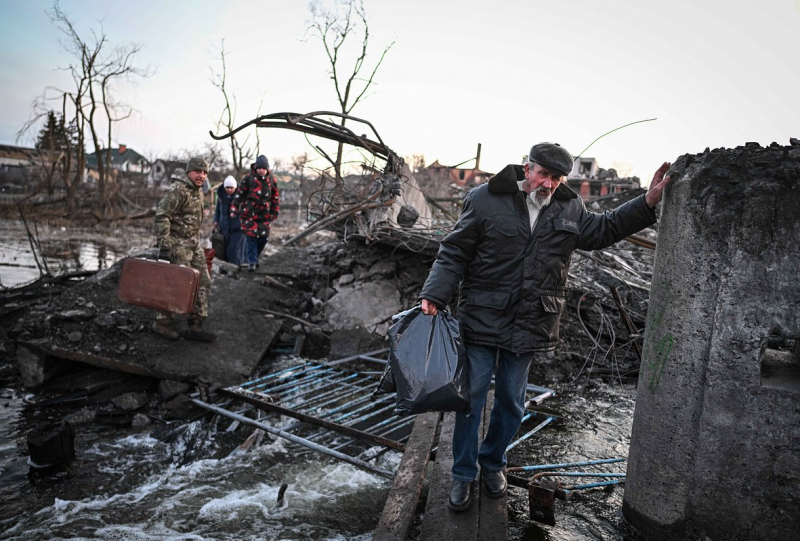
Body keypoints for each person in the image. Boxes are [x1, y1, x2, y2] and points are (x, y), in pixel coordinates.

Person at [418, 142, 672, 511]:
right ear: (527, 168)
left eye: (556, 177)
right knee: (471, 398)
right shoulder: (485, 198)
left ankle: (492, 464)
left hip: (532, 320)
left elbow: (604, 231)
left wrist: (646, 203)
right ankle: (462, 473)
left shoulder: (571, 206)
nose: (549, 183)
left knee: (512, 402)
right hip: (483, 315)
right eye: (543, 174)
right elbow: (455, 251)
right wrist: (436, 293)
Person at [152, 157, 217, 342]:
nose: (202, 176)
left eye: (205, 173)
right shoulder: (177, 191)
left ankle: (195, 324)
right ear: (189, 171)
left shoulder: (198, 191)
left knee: (203, 281)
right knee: (178, 284)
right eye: (198, 171)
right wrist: (164, 243)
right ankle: (162, 323)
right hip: (177, 245)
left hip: (193, 244)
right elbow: (162, 216)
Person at [231, 154, 280, 272]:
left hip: (265, 215)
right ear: (256, 168)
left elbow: (275, 197)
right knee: (251, 238)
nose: (262, 171)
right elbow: (239, 194)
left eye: (264, 168)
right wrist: (234, 208)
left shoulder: (272, 180)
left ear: (267, 169)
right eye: (260, 168)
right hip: (249, 214)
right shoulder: (249, 179)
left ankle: (254, 258)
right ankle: (252, 261)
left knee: (263, 239)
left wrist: (275, 211)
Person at [213, 175, 246, 265]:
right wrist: (216, 220)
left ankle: (236, 269)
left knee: (234, 251)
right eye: (227, 187)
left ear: (235, 188)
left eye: (231, 188)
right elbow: (217, 210)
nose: (229, 189)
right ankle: (225, 269)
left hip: (238, 229)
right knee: (224, 250)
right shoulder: (221, 197)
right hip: (224, 229)